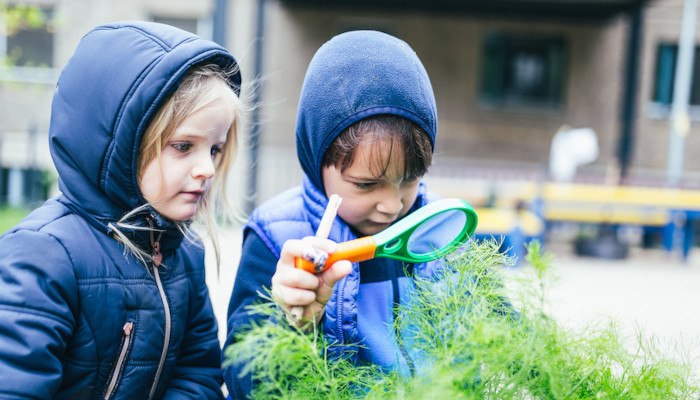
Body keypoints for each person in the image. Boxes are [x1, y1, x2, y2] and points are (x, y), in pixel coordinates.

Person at [0, 21, 244, 399]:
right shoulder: (42, 255)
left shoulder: (184, 250)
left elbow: (199, 372)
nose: (208, 169)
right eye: (183, 146)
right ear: (120, 145)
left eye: (214, 149)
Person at [224, 30, 440, 398]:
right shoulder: (275, 236)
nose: (392, 205)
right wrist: (293, 325)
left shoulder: (440, 229)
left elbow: (507, 336)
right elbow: (245, 379)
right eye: (367, 184)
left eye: (410, 179)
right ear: (315, 159)